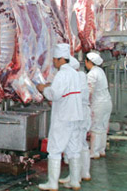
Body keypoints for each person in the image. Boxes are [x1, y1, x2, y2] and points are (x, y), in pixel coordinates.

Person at [36, 44, 84, 191]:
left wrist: (43, 89)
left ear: (61, 59)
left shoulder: (61, 74)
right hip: (76, 115)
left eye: (55, 60)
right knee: (74, 149)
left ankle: (52, 183)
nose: (54, 62)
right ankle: (75, 182)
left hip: (63, 116)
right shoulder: (75, 73)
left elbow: (54, 95)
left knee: (55, 150)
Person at [60, 57, 91, 185]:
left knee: (74, 145)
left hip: (75, 113)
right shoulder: (82, 76)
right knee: (82, 143)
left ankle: (74, 178)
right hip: (84, 112)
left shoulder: (72, 78)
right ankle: (85, 173)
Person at [85, 52, 113, 159]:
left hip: (99, 104)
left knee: (96, 127)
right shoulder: (100, 71)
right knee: (103, 127)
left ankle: (94, 152)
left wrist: (84, 103)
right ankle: (101, 150)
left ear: (89, 62)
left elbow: (89, 91)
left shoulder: (92, 74)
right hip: (107, 102)